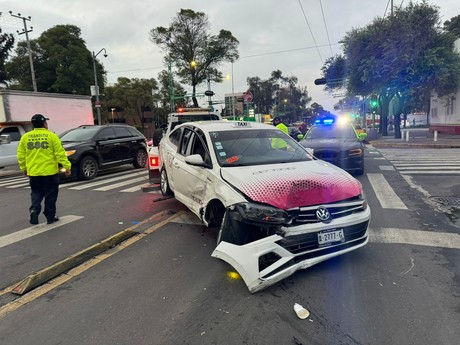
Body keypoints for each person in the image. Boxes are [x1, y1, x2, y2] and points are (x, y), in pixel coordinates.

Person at [17, 114, 72, 225]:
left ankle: (34, 209)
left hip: (34, 172)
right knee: (51, 194)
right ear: (44, 124)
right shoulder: (52, 136)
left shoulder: (25, 137)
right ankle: (50, 216)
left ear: (32, 124)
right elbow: (60, 153)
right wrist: (67, 167)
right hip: (50, 172)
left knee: (36, 192)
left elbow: (21, 155)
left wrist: (24, 168)